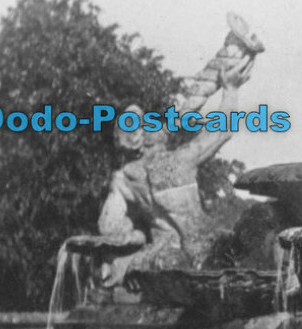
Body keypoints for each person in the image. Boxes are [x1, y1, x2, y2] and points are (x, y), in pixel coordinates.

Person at [96, 56, 253, 287]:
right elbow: (223, 129)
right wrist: (230, 89)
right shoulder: (178, 161)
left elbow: (109, 228)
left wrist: (134, 238)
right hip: (202, 252)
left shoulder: (122, 181)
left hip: (160, 255)